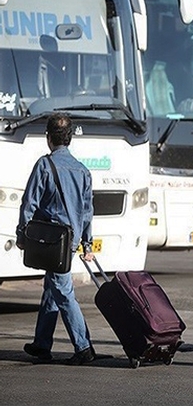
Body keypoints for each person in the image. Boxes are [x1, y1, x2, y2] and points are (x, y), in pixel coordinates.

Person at [16, 113, 96, 365]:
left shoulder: (44, 165)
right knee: (52, 287)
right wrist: (87, 244)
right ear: (70, 138)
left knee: (62, 290)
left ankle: (84, 347)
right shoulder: (83, 171)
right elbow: (86, 212)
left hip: (49, 240)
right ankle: (42, 344)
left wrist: (22, 234)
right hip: (69, 241)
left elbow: (29, 203)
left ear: (48, 138)